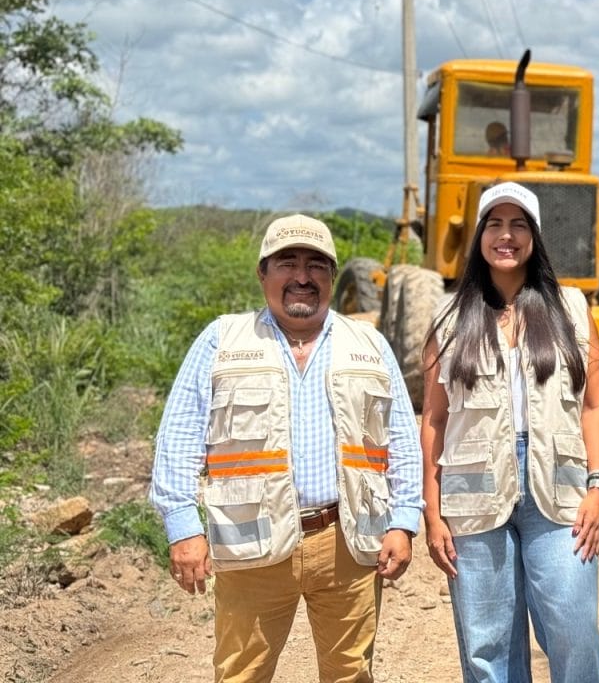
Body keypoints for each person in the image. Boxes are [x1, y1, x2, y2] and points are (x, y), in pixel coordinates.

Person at [149, 214, 424, 682]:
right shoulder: (222, 341)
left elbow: (401, 439)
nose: (302, 276)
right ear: (263, 273)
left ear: (332, 276)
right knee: (241, 675)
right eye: (287, 263)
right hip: (250, 543)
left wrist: (403, 521)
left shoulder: (369, 344)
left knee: (350, 674)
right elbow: (178, 436)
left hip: (346, 542)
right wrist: (182, 529)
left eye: (316, 265)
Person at [420, 182, 599, 682]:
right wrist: (432, 511)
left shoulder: (571, 309)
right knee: (488, 645)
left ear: (535, 236)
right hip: (474, 496)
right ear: (479, 236)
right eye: (495, 224)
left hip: (561, 493)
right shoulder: (448, 318)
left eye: (519, 224)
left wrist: (596, 487)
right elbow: (435, 419)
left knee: (574, 632)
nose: (506, 235)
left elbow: (593, 405)